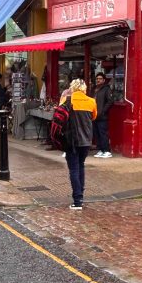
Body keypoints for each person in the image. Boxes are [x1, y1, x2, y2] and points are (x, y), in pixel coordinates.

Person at [64, 78, 97, 209]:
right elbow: (94, 116)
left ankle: (77, 201)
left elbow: (60, 116)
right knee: (81, 166)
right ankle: (80, 196)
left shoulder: (67, 100)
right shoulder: (91, 101)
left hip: (71, 140)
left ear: (72, 87)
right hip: (86, 140)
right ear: (84, 88)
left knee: (73, 169)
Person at [92, 72, 114, 158]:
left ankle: (107, 151)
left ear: (104, 80)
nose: (98, 80)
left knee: (103, 133)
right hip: (94, 115)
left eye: (100, 79)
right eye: (97, 79)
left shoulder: (106, 89)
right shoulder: (94, 89)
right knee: (96, 133)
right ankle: (101, 150)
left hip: (102, 116)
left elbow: (110, 101)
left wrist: (103, 111)